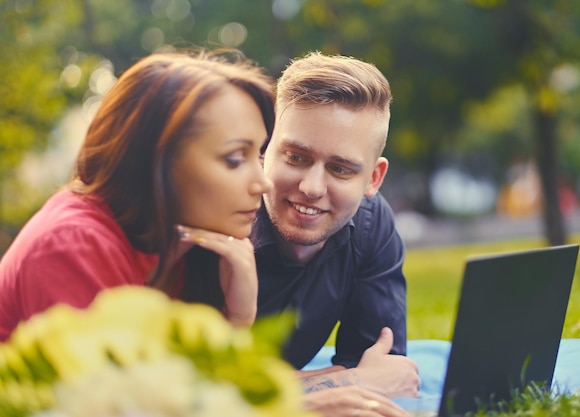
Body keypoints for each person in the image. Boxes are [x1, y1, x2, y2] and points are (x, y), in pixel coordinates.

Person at [0, 49, 410, 417]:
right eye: (236, 158)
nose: (263, 182)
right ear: (162, 160)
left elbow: (192, 393)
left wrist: (236, 322)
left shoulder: (177, 245)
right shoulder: (76, 245)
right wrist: (303, 403)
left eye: (256, 154)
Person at [254, 51, 420, 399]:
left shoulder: (372, 224)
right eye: (296, 157)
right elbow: (180, 395)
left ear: (373, 179)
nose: (312, 188)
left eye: (340, 169)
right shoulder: (215, 216)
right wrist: (350, 382)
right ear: (265, 149)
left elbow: (381, 368)